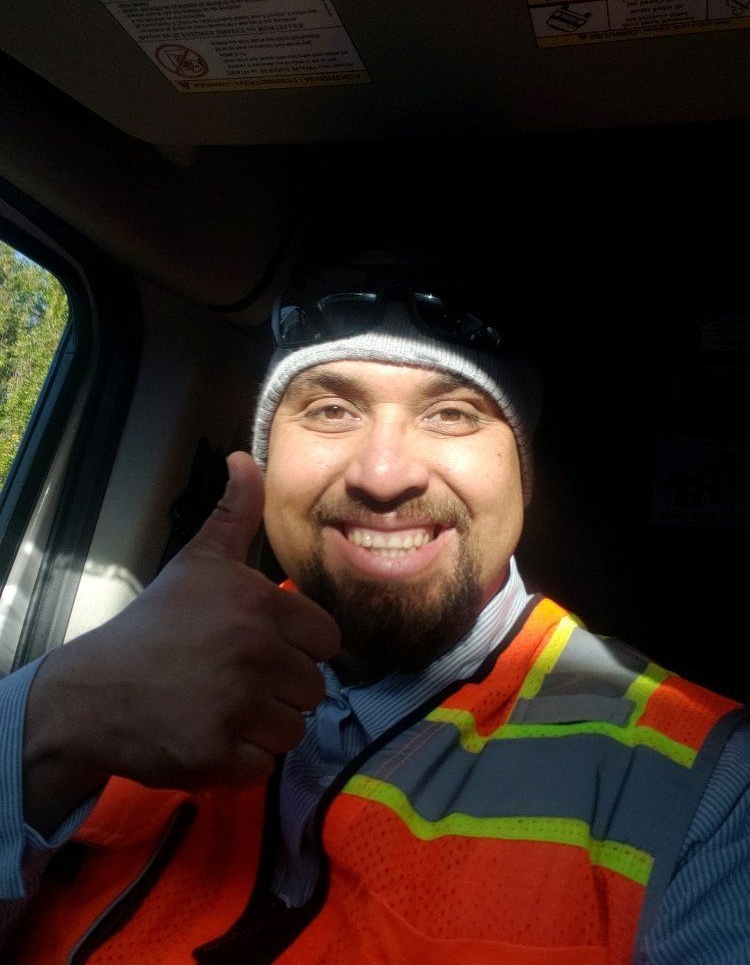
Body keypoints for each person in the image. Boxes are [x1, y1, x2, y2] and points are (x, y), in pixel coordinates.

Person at [0, 267, 748, 964]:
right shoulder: (106, 687)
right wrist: (52, 722)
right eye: (330, 409)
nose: (382, 475)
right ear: (259, 460)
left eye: (453, 413)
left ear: (522, 470)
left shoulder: (711, 790)